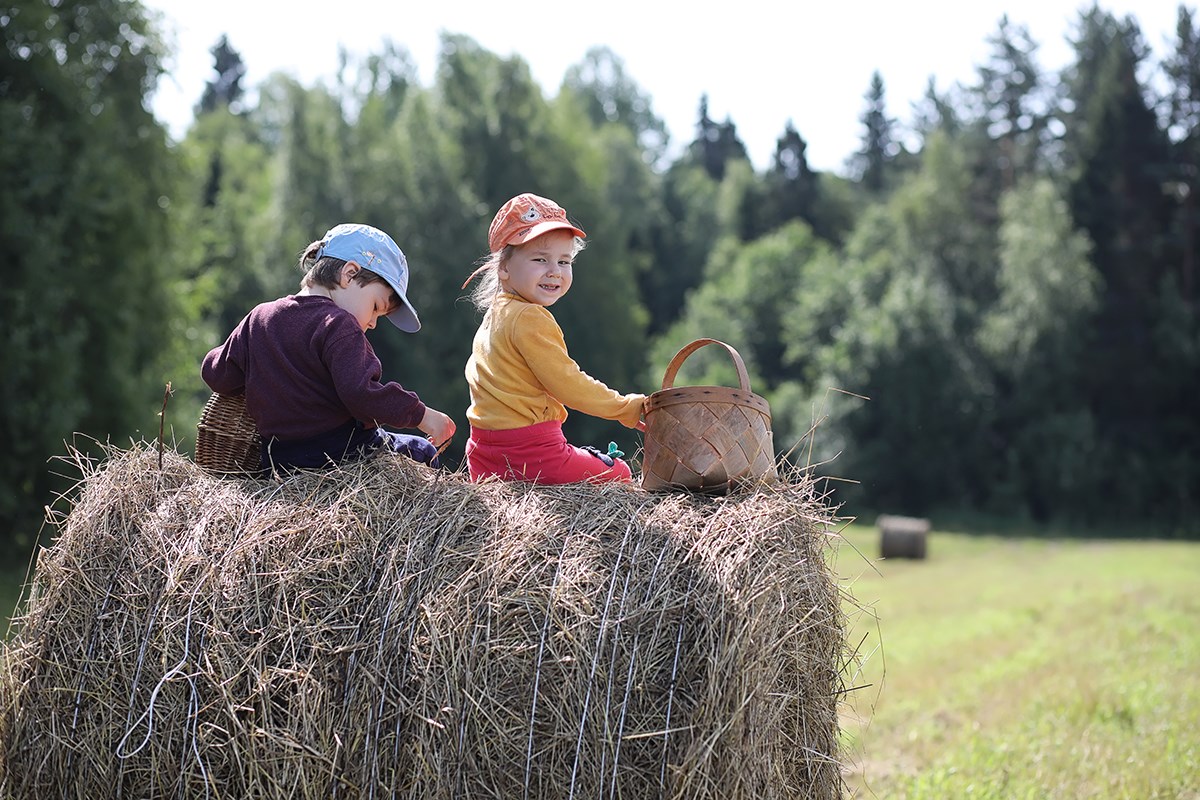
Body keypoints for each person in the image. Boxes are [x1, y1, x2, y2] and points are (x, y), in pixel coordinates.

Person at [202, 223, 456, 475]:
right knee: (421, 451)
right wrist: (423, 415)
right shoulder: (338, 326)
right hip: (342, 455)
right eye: (377, 307)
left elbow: (217, 375)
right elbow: (363, 396)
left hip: (278, 464)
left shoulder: (259, 318)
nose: (373, 323)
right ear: (349, 274)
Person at [462, 192, 646, 484]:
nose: (554, 272)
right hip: (531, 456)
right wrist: (625, 408)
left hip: (483, 455)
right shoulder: (530, 317)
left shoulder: (496, 315)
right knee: (620, 474)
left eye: (564, 261)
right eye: (540, 259)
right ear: (504, 268)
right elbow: (568, 384)